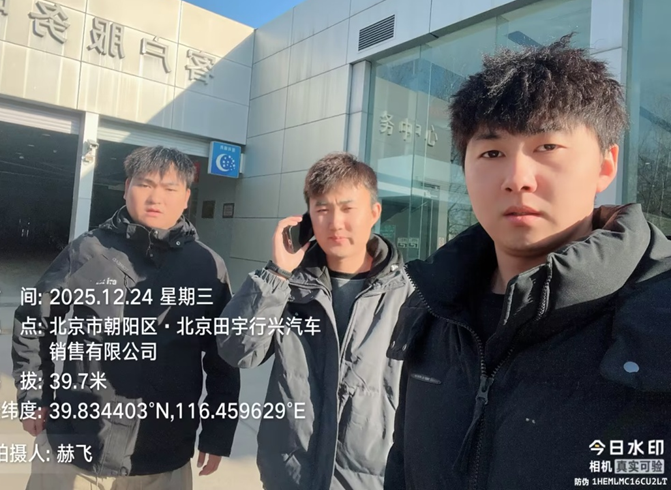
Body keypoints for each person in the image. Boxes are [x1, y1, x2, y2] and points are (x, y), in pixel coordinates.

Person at [384, 35, 671, 490]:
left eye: (547, 147)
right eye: (492, 153)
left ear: (605, 164)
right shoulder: (433, 305)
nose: (517, 179)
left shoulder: (659, 308)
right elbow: (402, 466)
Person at [12, 146, 240, 490]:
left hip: (161, 455)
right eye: (145, 184)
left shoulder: (207, 267)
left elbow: (224, 356)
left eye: (169, 188)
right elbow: (34, 323)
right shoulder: (88, 250)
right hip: (74, 444)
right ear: (126, 188)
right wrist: (33, 396)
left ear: (186, 198)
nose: (155, 197)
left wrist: (217, 432)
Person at [216, 152, 413, 490]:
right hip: (290, 475)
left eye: (348, 208)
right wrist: (277, 271)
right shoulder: (286, 287)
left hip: (371, 480)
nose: (335, 222)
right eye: (322, 209)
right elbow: (236, 350)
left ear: (374, 213)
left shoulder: (409, 295)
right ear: (307, 218)